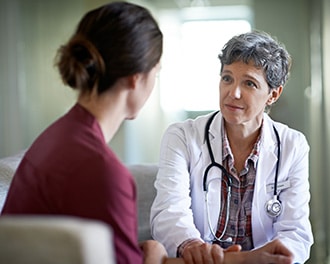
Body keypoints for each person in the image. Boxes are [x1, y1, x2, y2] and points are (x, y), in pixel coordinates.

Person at [0, 2, 295, 262]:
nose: (235, 93)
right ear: (135, 79)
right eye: (157, 72)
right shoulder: (102, 172)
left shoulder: (56, 137)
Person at [150, 30, 313, 264]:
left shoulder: (292, 145)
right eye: (227, 78)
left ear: (273, 94)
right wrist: (193, 245)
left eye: (249, 83)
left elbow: (295, 232)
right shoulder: (182, 137)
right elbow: (169, 212)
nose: (233, 93)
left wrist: (277, 256)